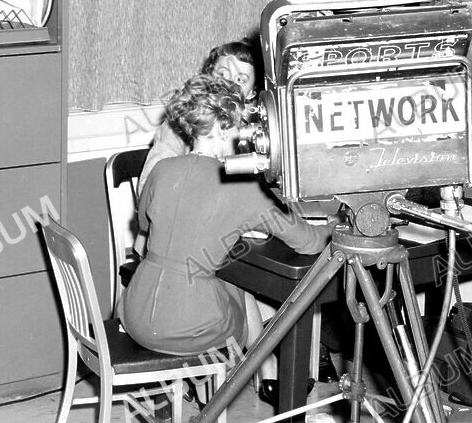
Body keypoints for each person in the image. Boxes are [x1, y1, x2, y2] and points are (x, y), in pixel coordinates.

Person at [120, 75, 331, 362]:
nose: (247, 136)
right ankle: (249, 375)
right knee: (238, 296)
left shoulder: (162, 170)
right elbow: (309, 243)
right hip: (187, 327)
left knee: (229, 285)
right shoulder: (242, 186)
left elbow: (146, 225)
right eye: (242, 126)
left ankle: (242, 375)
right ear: (222, 127)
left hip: (135, 310)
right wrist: (335, 222)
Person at [138, 37, 261, 192]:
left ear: (253, 91)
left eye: (240, 80)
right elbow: (149, 186)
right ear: (208, 77)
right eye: (222, 75)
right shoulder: (178, 125)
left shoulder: (259, 128)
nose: (228, 85)